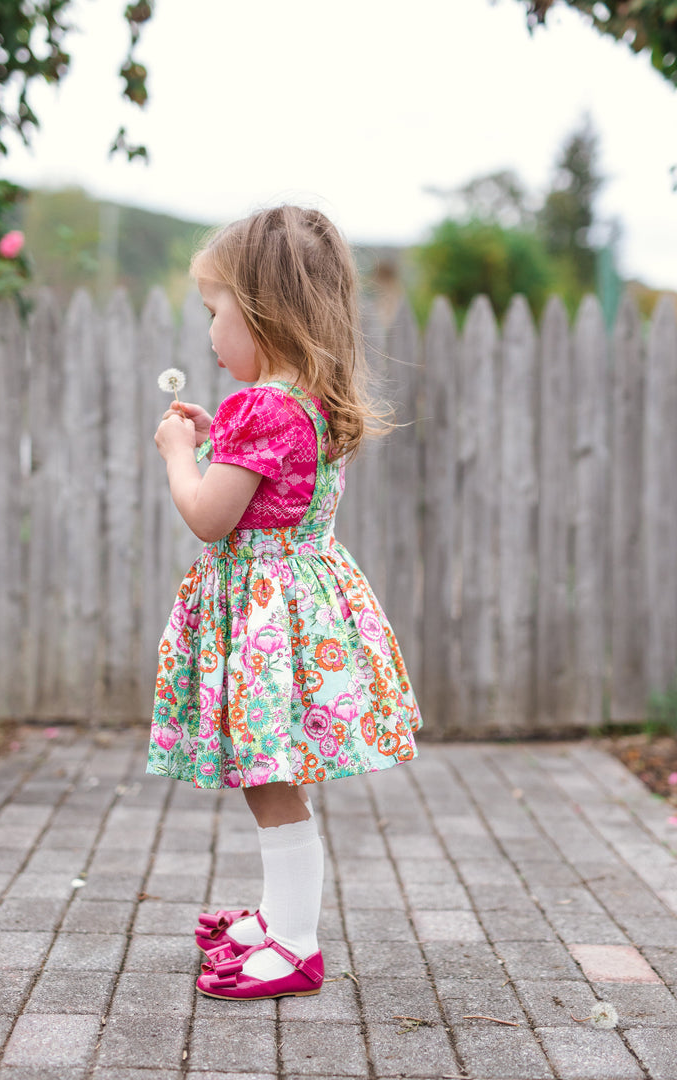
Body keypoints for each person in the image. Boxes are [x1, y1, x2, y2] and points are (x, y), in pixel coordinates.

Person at [147, 205, 422, 1001]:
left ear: (262, 313)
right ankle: (276, 917)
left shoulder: (260, 407)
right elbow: (262, 493)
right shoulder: (305, 400)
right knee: (268, 775)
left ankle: (295, 944)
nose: (208, 333)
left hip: (267, 623)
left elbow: (209, 517)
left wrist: (176, 454)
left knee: (268, 779)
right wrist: (213, 443)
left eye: (215, 312)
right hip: (295, 609)